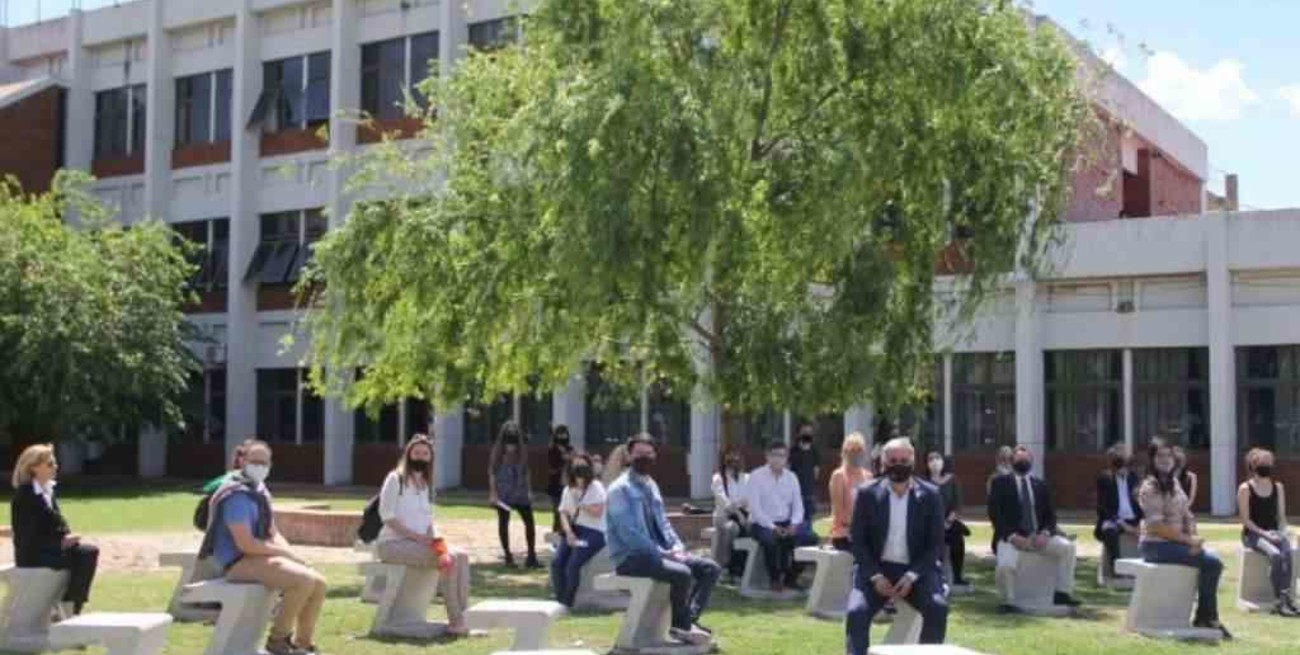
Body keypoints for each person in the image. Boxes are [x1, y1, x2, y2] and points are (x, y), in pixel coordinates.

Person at [201, 440, 327, 655]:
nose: (260, 467)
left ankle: (302, 644)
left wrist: (294, 556)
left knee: (319, 583)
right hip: (237, 563)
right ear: (241, 461)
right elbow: (246, 544)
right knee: (302, 581)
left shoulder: (259, 491)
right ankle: (278, 640)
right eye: (255, 462)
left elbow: (273, 533)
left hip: (260, 558)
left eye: (265, 462)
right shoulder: (236, 494)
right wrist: (283, 553)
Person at [606, 434, 719, 646]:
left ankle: (688, 622)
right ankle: (682, 627)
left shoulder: (652, 485)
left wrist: (677, 547)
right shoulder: (619, 490)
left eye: (649, 454)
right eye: (639, 454)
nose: (645, 458)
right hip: (631, 558)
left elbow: (664, 524)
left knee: (709, 568)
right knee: (682, 573)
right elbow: (630, 535)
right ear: (629, 456)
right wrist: (663, 553)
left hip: (660, 554)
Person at [844, 438, 949, 655]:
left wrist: (911, 576)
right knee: (856, 612)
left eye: (904, 459)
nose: (898, 464)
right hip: (876, 570)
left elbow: (936, 545)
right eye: (893, 460)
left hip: (916, 571)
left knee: (937, 608)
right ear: (883, 463)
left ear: (912, 461)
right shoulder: (866, 494)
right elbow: (857, 541)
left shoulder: (930, 495)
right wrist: (875, 576)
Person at [375, 435, 471, 635]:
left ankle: (463, 616)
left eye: (425, 453)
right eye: (416, 452)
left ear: (430, 458)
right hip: (392, 545)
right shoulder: (396, 479)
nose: (420, 456)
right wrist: (420, 539)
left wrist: (439, 545)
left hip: (419, 544)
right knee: (450, 559)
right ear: (408, 454)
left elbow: (429, 524)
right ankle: (456, 620)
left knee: (460, 556)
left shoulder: (425, 486)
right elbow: (387, 517)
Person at [1140, 438, 1230, 638]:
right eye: (1160, 456)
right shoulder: (1150, 487)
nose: (1165, 459)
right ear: (1152, 459)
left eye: (1169, 455)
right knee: (1212, 563)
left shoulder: (1175, 483)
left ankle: (1205, 616)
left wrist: (1193, 535)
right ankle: (1207, 617)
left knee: (1211, 561)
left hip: (1176, 542)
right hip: (1156, 546)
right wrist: (1188, 542)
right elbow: (1157, 527)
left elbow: (1186, 513)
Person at [988, 444, 1081, 612]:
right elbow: (995, 515)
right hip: (1011, 538)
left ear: (1031, 461)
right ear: (1011, 461)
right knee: (1006, 566)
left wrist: (1045, 533)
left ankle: (1061, 593)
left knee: (1067, 548)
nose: (1022, 460)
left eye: (1026, 457)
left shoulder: (1040, 485)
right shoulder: (1000, 483)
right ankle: (1010, 602)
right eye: (1018, 457)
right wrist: (1013, 537)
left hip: (1039, 537)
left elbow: (1050, 516)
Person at [10, 444, 99, 615]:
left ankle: (72, 605)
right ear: (33, 468)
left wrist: (66, 539)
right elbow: (26, 537)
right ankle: (70, 606)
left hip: (51, 551)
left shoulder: (48, 491)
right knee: (85, 554)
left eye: (55, 463)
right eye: (50, 464)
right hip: (34, 555)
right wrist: (59, 544)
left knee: (88, 552)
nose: (55, 467)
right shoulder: (25, 496)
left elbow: (57, 525)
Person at [748, 442, 818, 592]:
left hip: (787, 522)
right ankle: (774, 578)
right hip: (762, 523)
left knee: (810, 538)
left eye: (781, 455)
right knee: (770, 538)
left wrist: (794, 524)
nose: (777, 459)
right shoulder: (756, 476)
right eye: (774, 455)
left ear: (787, 458)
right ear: (767, 456)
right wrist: (773, 527)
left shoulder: (791, 477)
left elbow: (798, 506)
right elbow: (755, 509)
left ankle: (791, 578)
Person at [1238, 447, 1297, 616]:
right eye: (1263, 463)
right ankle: (1279, 601)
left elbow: (1281, 517)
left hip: (1274, 532)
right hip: (1253, 534)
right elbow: (1246, 521)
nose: (1267, 465)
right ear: (1253, 465)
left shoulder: (1278, 487)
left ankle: (1287, 600)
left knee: (1288, 554)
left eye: (1269, 462)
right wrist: (1265, 534)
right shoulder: (1245, 488)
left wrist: (1284, 532)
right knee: (1276, 556)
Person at [550, 452, 607, 608]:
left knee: (573, 564)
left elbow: (598, 512)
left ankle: (568, 602)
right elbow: (563, 513)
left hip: (594, 531)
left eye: (582, 466)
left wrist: (580, 502)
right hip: (574, 529)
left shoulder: (596, 487)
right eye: (576, 466)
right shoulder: (568, 489)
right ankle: (560, 600)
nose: (579, 470)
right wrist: (568, 533)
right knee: (557, 562)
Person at [488, 421, 540, 568]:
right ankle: (508, 556)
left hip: (520, 491)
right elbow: (491, 472)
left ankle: (531, 556)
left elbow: (527, 471)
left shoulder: (522, 452)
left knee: (529, 522)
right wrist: (493, 493)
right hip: (503, 492)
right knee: (503, 522)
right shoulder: (497, 452)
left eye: (514, 444)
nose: (511, 447)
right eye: (508, 444)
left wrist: (529, 490)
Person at [1095, 443, 1142, 581]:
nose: (1123, 469)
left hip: (1134, 520)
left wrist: (1140, 523)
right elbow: (1102, 508)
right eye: (1119, 463)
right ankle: (1117, 570)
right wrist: (1123, 525)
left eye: (1126, 463)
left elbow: (1143, 502)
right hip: (1113, 520)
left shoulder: (1135, 478)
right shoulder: (1105, 478)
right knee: (1111, 531)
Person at [926, 451, 970, 587]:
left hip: (950, 522)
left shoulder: (952, 480)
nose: (934, 461)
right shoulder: (924, 482)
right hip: (931, 524)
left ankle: (957, 576)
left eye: (937, 458)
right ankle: (935, 576)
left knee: (958, 541)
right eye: (931, 459)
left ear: (943, 461)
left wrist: (949, 520)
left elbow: (958, 503)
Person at [710, 446, 750, 578]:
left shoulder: (746, 478)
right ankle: (725, 564)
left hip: (743, 514)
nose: (734, 459)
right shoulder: (718, 478)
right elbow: (724, 502)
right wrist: (738, 511)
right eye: (731, 456)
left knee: (753, 527)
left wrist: (742, 510)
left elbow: (749, 499)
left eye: (737, 456)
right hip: (723, 517)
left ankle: (742, 567)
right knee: (732, 527)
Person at [829, 433, 873, 552]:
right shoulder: (838, 476)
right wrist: (857, 528)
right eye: (852, 450)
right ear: (845, 453)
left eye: (859, 450)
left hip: (864, 532)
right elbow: (839, 512)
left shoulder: (868, 476)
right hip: (842, 534)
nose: (856, 454)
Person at [790, 424, 822, 527]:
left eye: (809, 432)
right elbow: (788, 468)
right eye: (804, 432)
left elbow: (816, 470)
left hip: (809, 491)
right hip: (794, 491)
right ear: (799, 434)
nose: (807, 435)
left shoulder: (815, 450)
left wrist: (812, 485)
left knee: (808, 519)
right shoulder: (793, 450)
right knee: (796, 519)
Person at [547, 425, 574, 534]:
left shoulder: (570, 449)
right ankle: (555, 537)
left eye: (564, 433)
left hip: (570, 486)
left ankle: (567, 535)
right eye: (560, 434)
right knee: (557, 513)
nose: (563, 436)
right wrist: (563, 460)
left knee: (569, 514)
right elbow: (552, 469)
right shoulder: (552, 450)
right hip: (556, 486)